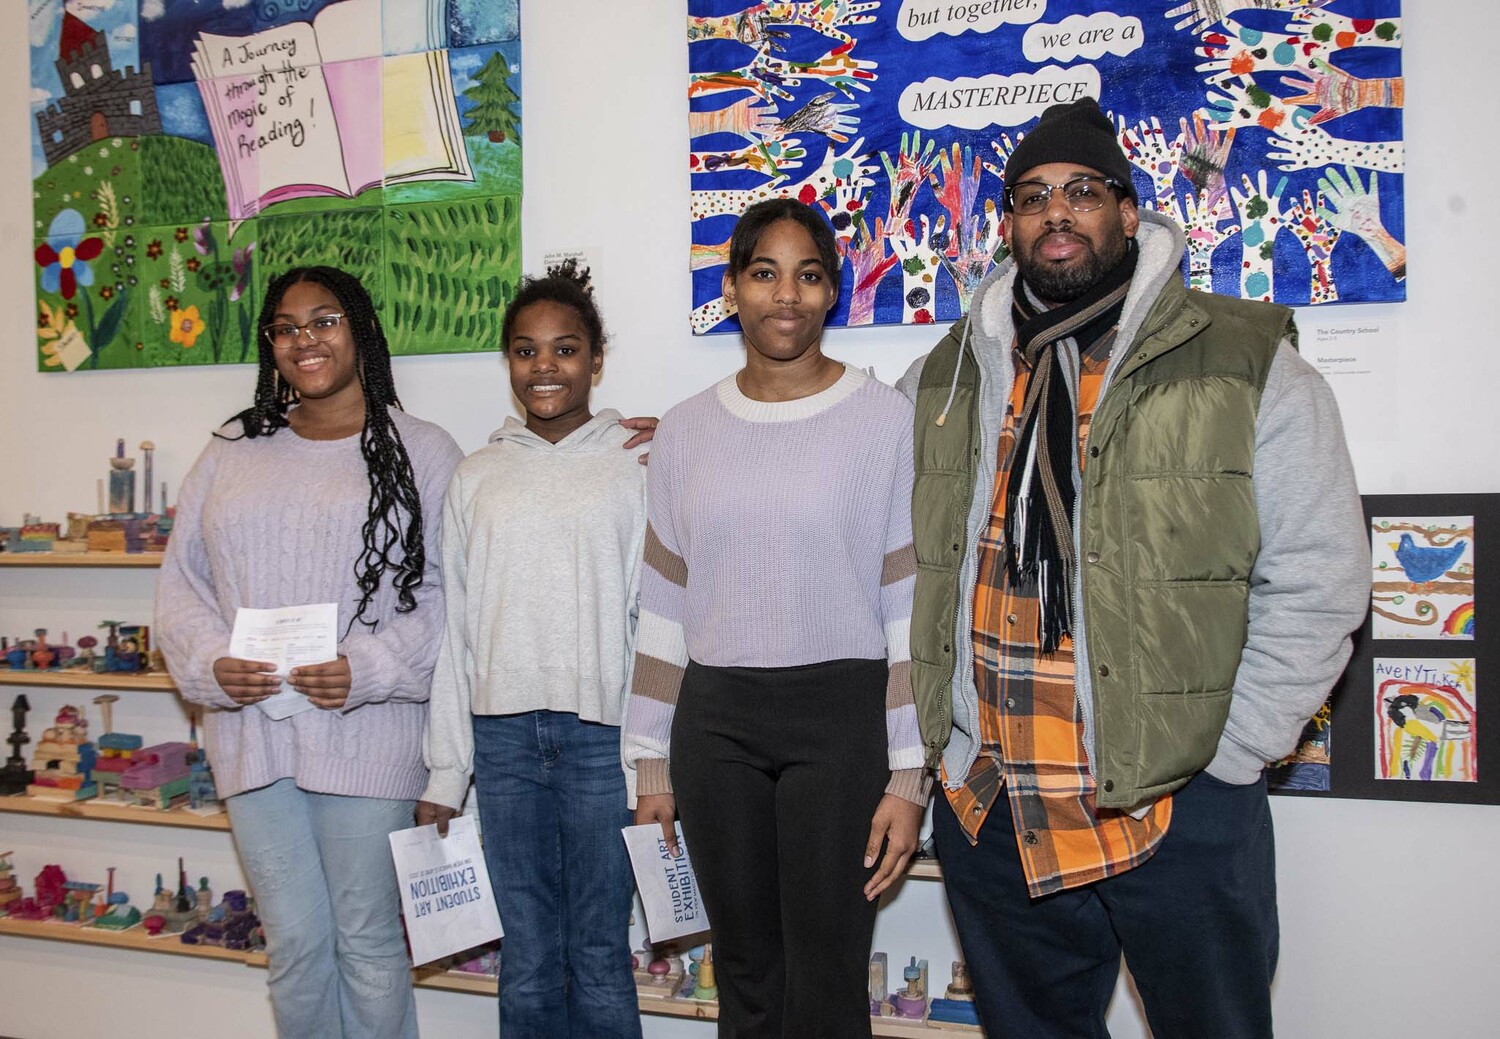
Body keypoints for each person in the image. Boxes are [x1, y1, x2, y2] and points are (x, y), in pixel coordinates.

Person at [897, 97, 1369, 1038]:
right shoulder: (946, 374)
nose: (1057, 212)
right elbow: (861, 508)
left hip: (1176, 806)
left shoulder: (1242, 362)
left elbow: (1321, 576)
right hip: (996, 806)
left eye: (1082, 190)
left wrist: (1229, 754)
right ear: (1009, 224)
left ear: (1128, 208)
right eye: (1033, 197)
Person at [624, 197, 929, 1039]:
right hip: (716, 723)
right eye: (764, 273)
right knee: (749, 978)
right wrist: (650, 766)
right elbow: (664, 604)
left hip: (840, 719)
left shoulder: (885, 422)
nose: (784, 295)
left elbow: (907, 603)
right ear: (731, 290)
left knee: (827, 980)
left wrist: (909, 775)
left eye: (807, 275)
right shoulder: (685, 431)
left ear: (834, 292)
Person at [155, 266, 464, 1039]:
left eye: (324, 321)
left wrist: (369, 669)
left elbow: (451, 601)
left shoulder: (422, 451)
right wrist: (209, 664)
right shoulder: (232, 449)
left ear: (359, 329)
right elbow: (179, 587)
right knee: (294, 945)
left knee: (366, 943)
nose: (305, 341)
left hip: (369, 737)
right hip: (252, 734)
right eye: (286, 328)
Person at [416, 261, 646, 1039]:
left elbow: (655, 622)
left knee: (599, 950)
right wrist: (447, 771)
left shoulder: (635, 468)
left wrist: (654, 760)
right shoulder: (477, 477)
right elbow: (458, 628)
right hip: (502, 741)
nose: (545, 366)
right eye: (526, 350)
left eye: (565, 348)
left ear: (596, 358)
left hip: (600, 740)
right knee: (530, 956)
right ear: (508, 361)